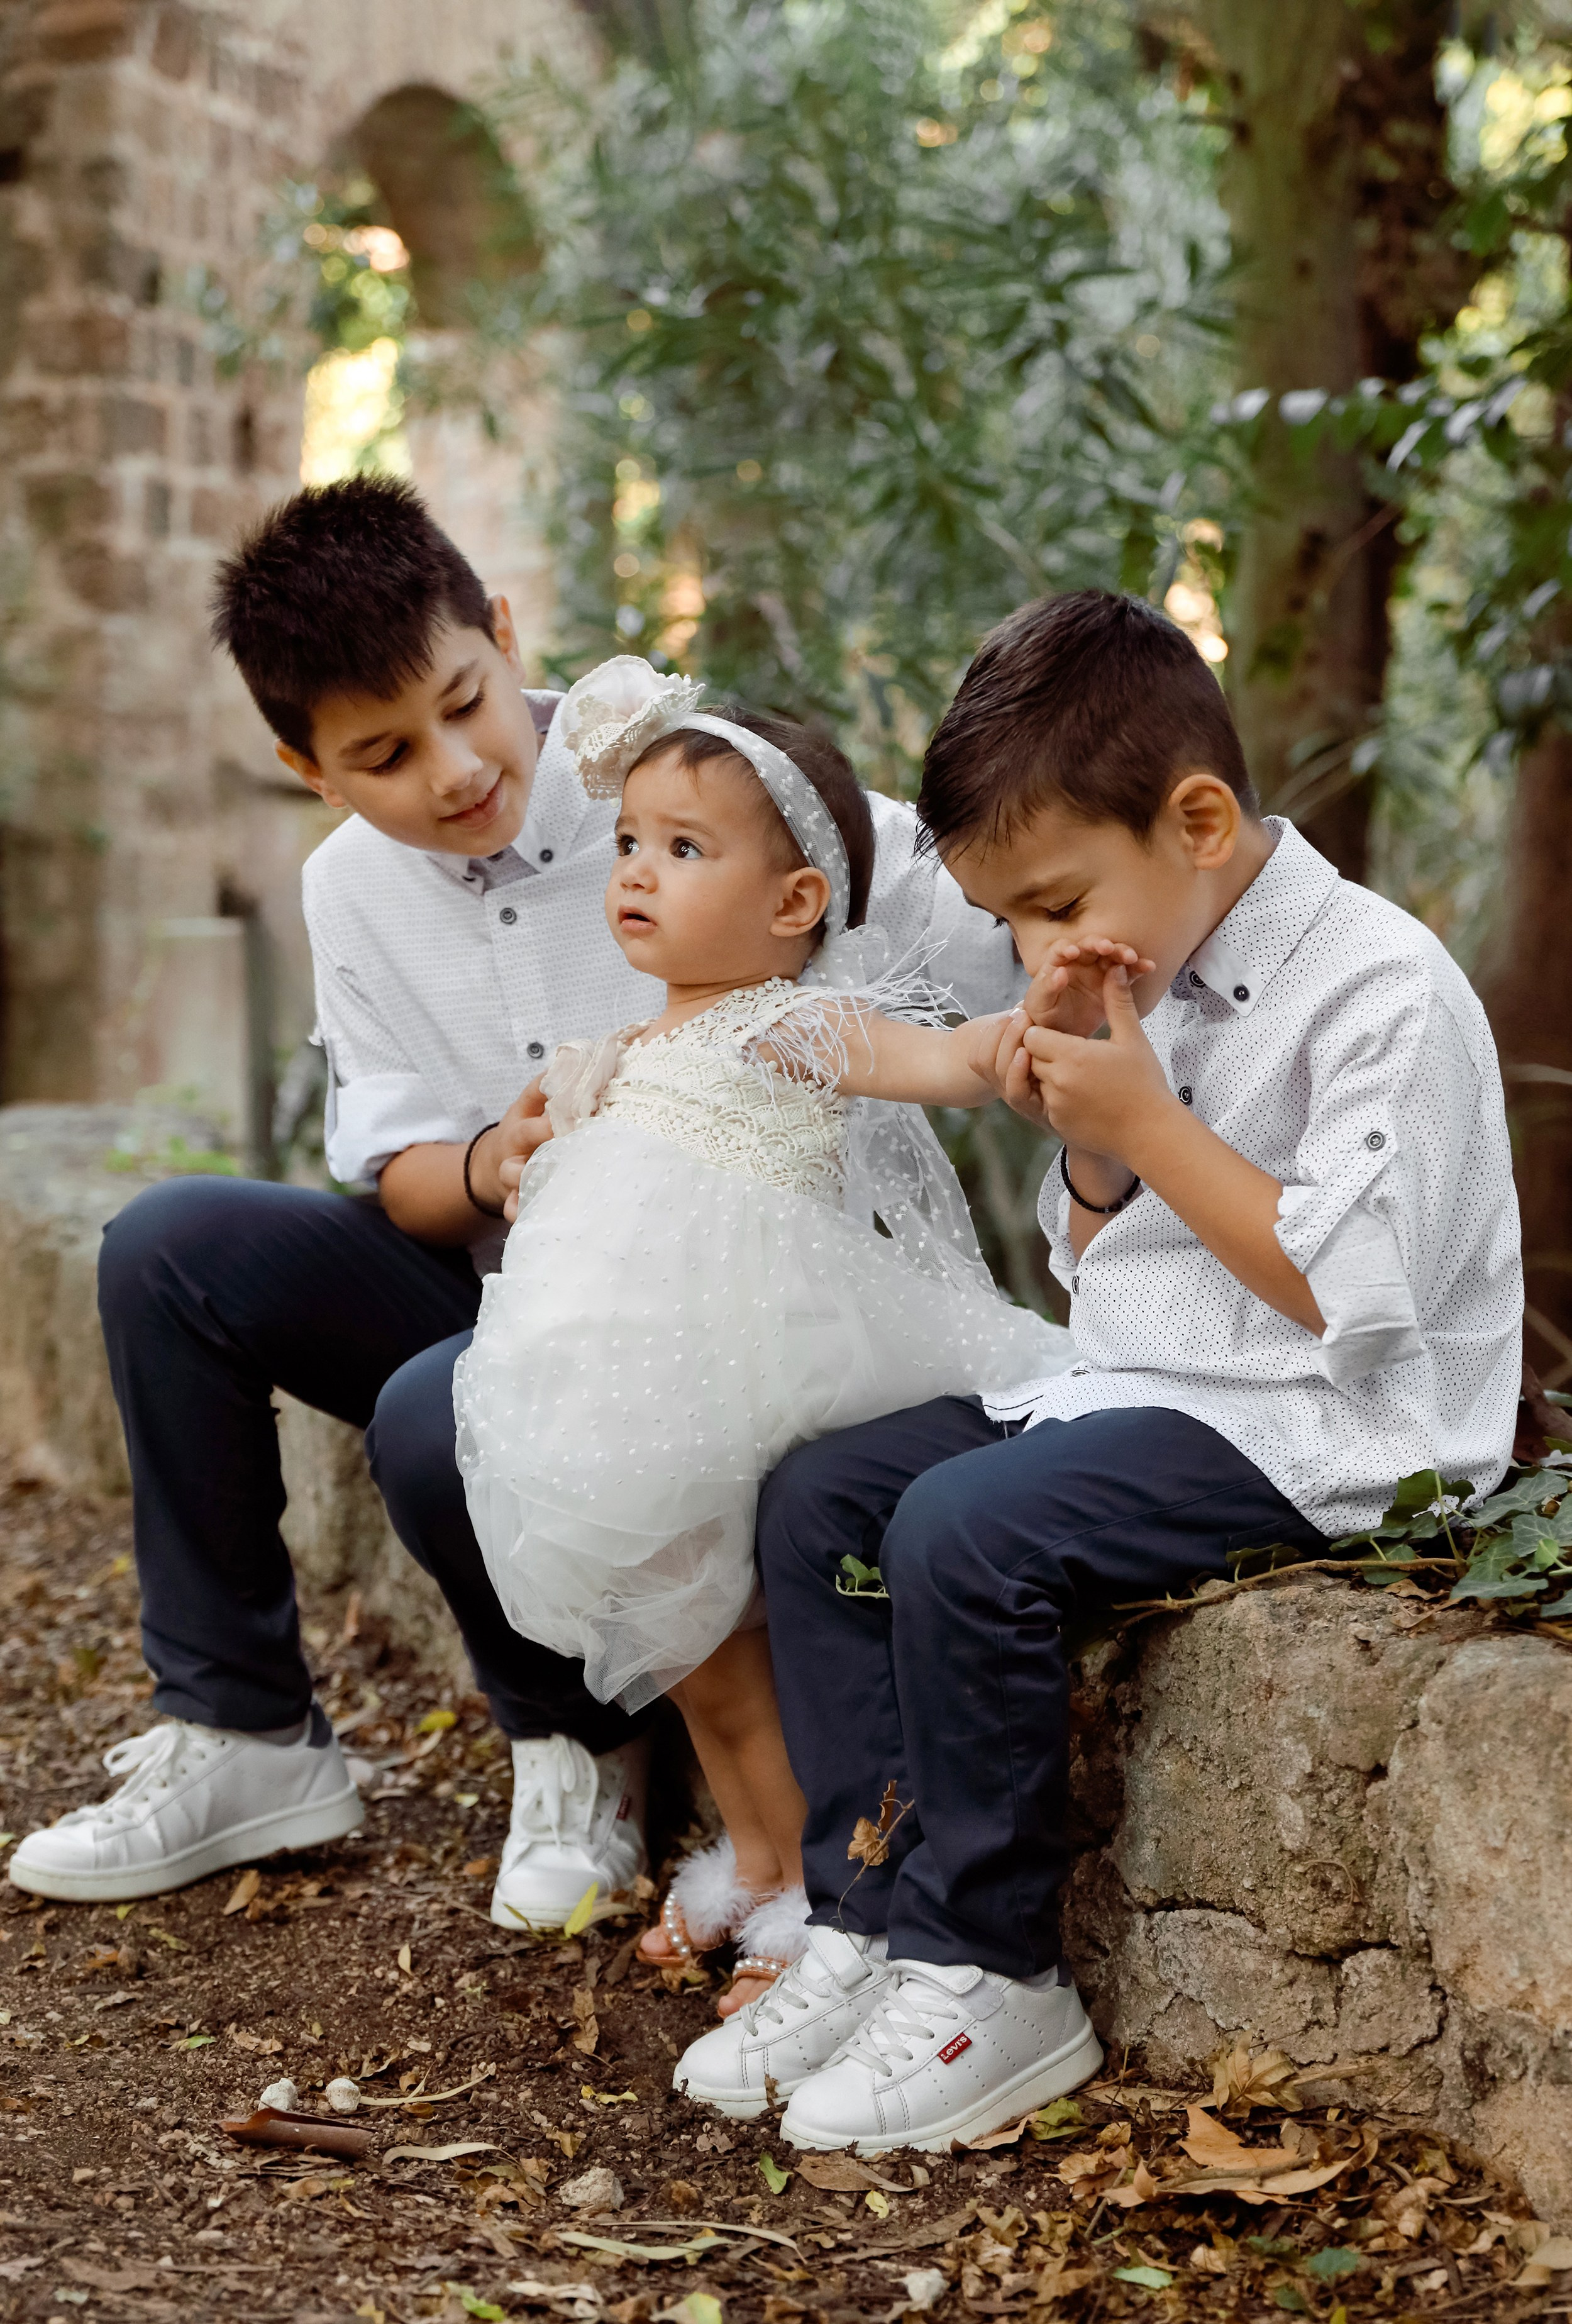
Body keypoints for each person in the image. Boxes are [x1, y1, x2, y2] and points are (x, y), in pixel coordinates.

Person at [6, 479, 1022, 1930]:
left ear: (498, 630)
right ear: (311, 768)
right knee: (169, 1249)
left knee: (444, 1405)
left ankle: (575, 1743)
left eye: (465, 702)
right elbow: (407, 1175)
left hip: (718, 1297)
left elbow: (956, 911)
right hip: (515, 1258)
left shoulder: (681, 786)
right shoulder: (350, 890)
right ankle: (242, 1736)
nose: (454, 769)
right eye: (384, 754)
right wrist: (500, 1156)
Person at [670, 588, 1523, 2147]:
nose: (1035, 948)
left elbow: (1346, 1293)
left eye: (1054, 902)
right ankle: (865, 1916)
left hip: (1333, 1424)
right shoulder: (1151, 959)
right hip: (1156, 1385)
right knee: (821, 1497)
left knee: (965, 1530)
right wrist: (1094, 1150)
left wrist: (1141, 1122)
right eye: (1009, 922)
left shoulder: (1378, 987)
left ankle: (992, 1974)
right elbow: (1102, 1268)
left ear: (1195, 817)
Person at [454, 674, 1075, 2004]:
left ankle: (806, 1885)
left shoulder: (785, 1021)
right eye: (628, 842)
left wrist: (1027, 1026)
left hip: (745, 1354)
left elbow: (941, 1059)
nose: (635, 873)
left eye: (683, 850)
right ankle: (748, 1856)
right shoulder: (618, 1043)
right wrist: (531, 1144)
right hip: (611, 1385)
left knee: (752, 1631)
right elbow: (553, 1176)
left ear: (794, 906)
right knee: (685, 1645)